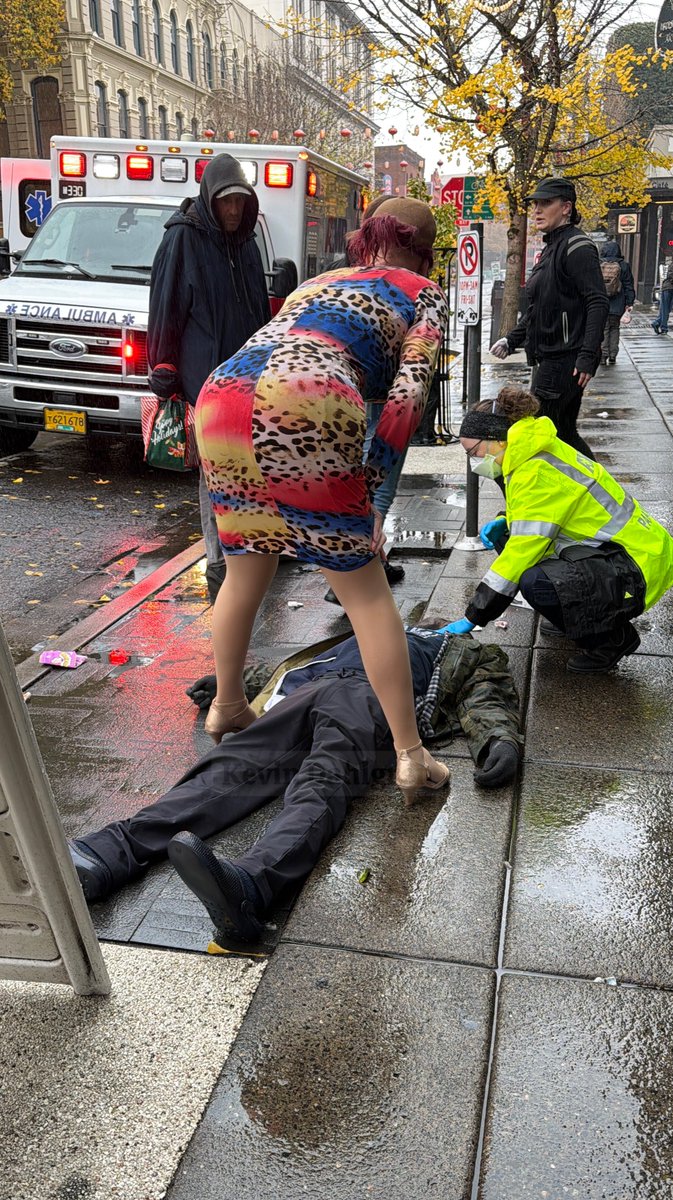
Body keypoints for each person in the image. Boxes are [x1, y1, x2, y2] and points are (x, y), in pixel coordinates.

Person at [195, 197, 451, 802]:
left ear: (366, 239)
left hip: (224, 393)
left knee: (245, 566)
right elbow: (409, 395)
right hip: (308, 396)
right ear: (425, 248)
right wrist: (373, 482)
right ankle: (411, 755)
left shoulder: (320, 280)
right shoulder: (423, 291)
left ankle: (228, 704)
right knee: (364, 591)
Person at [68, 626, 522, 939]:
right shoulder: (364, 629)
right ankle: (111, 852)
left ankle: (252, 884)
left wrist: (499, 743)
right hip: (306, 691)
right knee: (230, 765)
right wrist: (232, 682)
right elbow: (292, 666)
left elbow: (488, 695)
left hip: (373, 699)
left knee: (323, 779)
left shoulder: (467, 650)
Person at [443, 386, 673, 674]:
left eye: (473, 452)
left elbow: (523, 551)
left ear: (496, 439)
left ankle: (612, 639)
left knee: (534, 580)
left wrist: (474, 615)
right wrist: (506, 518)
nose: (474, 462)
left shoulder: (533, 470)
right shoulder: (529, 450)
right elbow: (544, 512)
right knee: (511, 541)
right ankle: (580, 614)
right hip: (629, 552)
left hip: (639, 567)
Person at [147, 153, 271, 602]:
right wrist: (163, 368)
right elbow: (165, 304)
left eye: (240, 202)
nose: (234, 211)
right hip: (205, 382)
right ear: (210, 200)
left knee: (248, 469)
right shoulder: (183, 239)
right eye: (226, 202)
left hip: (248, 383)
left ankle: (244, 552)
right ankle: (219, 565)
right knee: (214, 475)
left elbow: (260, 311)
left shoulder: (247, 244)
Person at [490, 177, 608, 459]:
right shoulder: (552, 248)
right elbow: (538, 307)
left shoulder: (577, 247)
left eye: (546, 203)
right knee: (563, 435)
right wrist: (512, 339)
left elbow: (597, 301)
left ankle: (592, 496)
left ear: (566, 207)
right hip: (554, 358)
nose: (537, 210)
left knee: (537, 437)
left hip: (564, 360)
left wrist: (587, 356)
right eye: (535, 205)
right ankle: (600, 496)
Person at [599, 236, 635, 364]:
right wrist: (629, 302)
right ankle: (613, 354)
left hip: (602, 303)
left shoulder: (599, 264)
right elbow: (629, 285)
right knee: (615, 328)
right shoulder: (623, 266)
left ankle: (603, 355)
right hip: (618, 304)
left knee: (604, 329)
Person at [652, 257, 673, 335]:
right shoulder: (672, 265)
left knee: (666, 308)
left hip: (668, 288)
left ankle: (657, 323)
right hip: (668, 288)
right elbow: (671, 276)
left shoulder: (671, 264)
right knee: (666, 308)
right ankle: (663, 327)